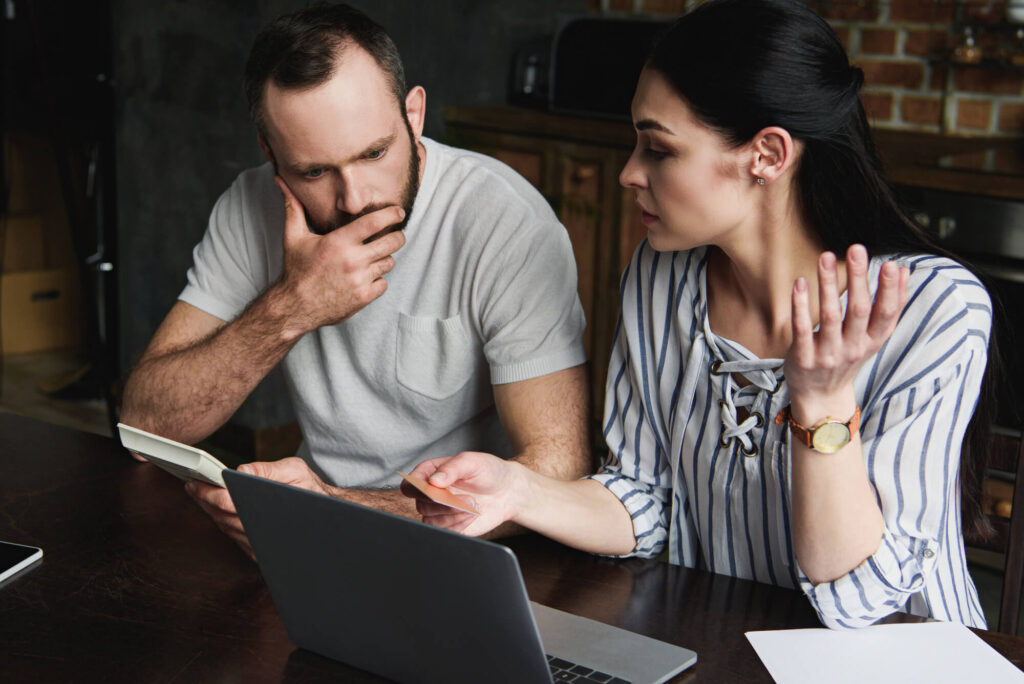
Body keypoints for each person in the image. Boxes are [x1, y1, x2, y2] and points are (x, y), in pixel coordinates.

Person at [405, 0, 995, 630]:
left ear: (766, 155)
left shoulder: (933, 310)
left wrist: (821, 402)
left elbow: (860, 598)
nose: (630, 173)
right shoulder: (660, 276)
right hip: (724, 647)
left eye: (659, 149)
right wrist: (517, 491)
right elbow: (642, 498)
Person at [119, 4, 592, 556]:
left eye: (374, 153)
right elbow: (146, 426)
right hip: (309, 535)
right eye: (314, 171)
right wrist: (292, 306)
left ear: (413, 114)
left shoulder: (504, 222)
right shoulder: (250, 207)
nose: (355, 199)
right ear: (271, 153)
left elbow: (557, 472)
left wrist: (330, 508)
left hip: (467, 549)